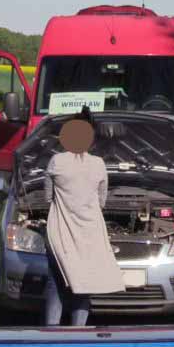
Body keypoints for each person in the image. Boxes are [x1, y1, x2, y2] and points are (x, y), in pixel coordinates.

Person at [41, 118, 125, 326]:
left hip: (60, 231)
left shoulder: (56, 161)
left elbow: (47, 197)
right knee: (83, 284)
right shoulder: (98, 164)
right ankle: (78, 332)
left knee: (56, 283)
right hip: (89, 232)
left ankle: (52, 332)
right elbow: (102, 200)